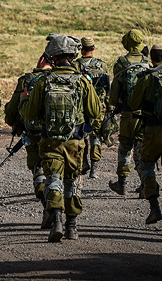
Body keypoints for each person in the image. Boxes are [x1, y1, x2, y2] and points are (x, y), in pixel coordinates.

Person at [19, 34, 102, 242]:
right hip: (75, 140)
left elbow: (29, 114)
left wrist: (23, 101)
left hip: (50, 140)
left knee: (53, 180)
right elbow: (94, 111)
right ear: (73, 55)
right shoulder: (83, 81)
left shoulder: (43, 81)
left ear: (52, 57)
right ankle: (72, 227)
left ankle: (56, 220)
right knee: (71, 181)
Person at [128, 43, 162, 231]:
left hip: (152, 132)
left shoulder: (147, 78)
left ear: (150, 59)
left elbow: (133, 103)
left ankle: (154, 209)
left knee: (146, 166)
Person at [4, 51, 53, 226]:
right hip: (59, 135)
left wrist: (12, 122)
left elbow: (13, 110)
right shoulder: (64, 79)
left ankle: (47, 204)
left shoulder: (27, 80)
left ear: (41, 60)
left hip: (33, 134)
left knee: (38, 171)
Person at [108, 29, 151, 196]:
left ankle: (122, 184)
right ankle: (145, 184)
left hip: (128, 114)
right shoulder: (148, 62)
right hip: (145, 115)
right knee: (141, 149)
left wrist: (114, 104)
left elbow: (114, 94)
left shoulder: (121, 63)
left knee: (125, 148)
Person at [73, 36, 111, 179]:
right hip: (99, 108)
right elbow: (108, 89)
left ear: (81, 49)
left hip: (82, 107)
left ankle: (84, 164)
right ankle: (94, 168)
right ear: (93, 49)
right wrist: (108, 106)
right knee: (96, 136)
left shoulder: (76, 66)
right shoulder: (102, 65)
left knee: (83, 134)